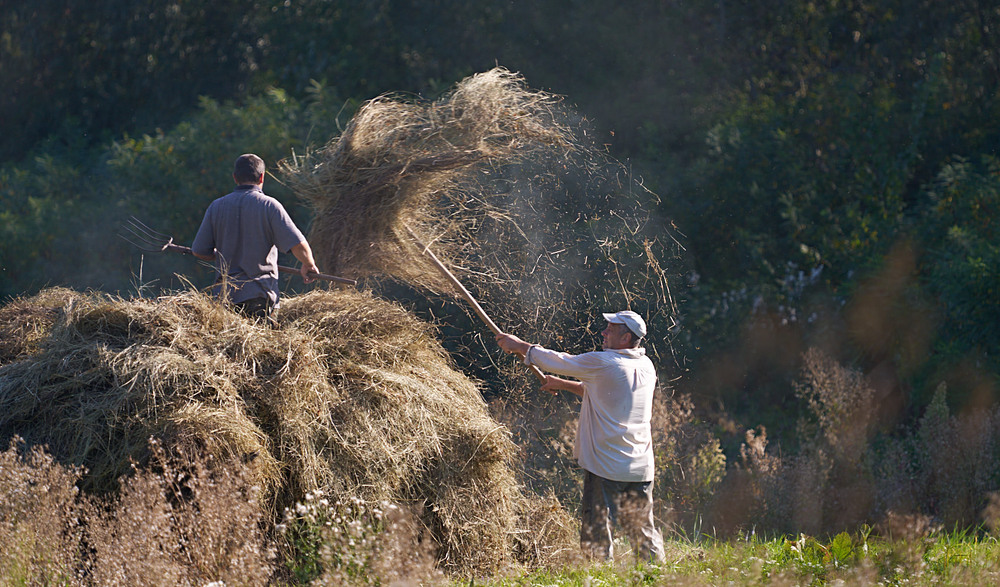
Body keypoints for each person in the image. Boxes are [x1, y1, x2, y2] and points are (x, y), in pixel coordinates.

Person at [495, 310, 665, 563]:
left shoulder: (605, 362)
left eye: (610, 329)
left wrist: (519, 346)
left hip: (606, 463)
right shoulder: (644, 365)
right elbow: (600, 391)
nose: (603, 333)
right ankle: (656, 574)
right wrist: (562, 384)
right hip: (640, 465)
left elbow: (561, 361)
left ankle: (598, 574)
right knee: (642, 528)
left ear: (626, 337)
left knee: (596, 523)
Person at [191, 153, 319, 321]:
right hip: (260, 298)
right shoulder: (269, 206)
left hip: (224, 300)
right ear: (261, 177)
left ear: (235, 178)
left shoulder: (216, 207)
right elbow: (298, 245)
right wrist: (308, 264)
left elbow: (199, 251)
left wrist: (220, 254)